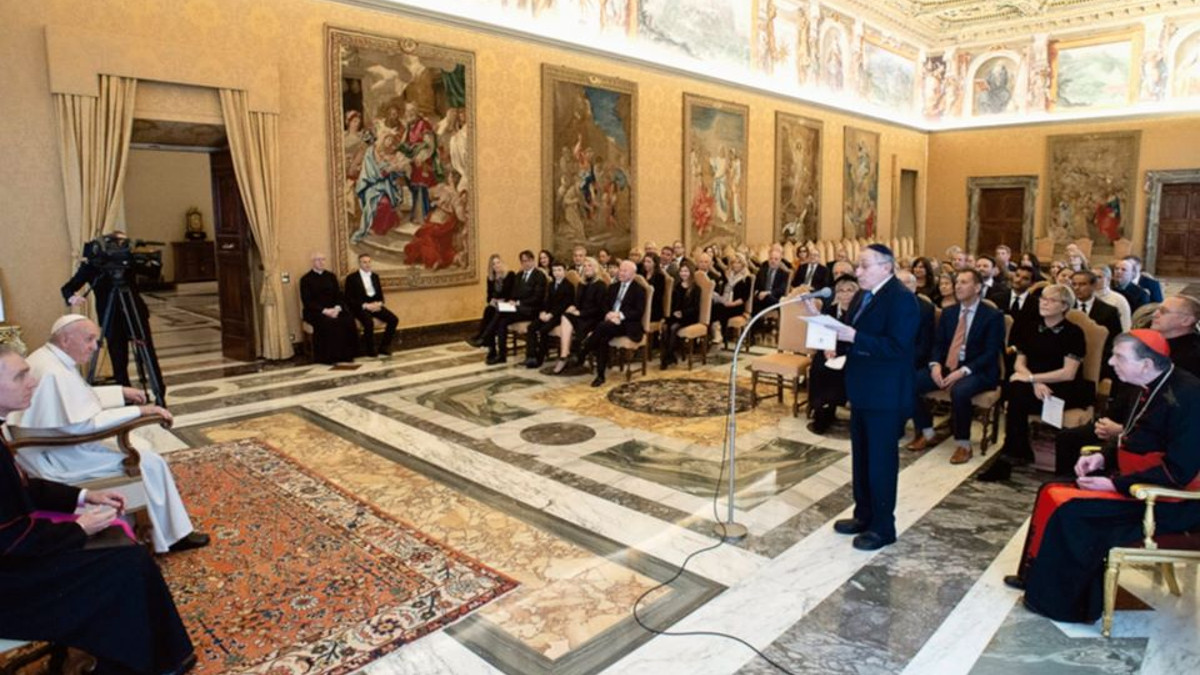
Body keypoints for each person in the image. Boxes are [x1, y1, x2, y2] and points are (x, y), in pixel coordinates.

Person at [0, 344, 196, 675]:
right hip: (10, 587)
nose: (32, 381)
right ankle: (134, 663)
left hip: (15, 561)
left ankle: (156, 657)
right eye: (20, 376)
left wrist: (84, 497)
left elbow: (23, 488)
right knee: (123, 563)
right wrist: (79, 527)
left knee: (122, 552)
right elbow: (10, 539)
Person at [1003, 331, 1200, 624]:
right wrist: (1102, 457)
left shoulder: (1189, 396)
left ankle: (1061, 603)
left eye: (1119, 357)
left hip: (1167, 500)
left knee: (1074, 511)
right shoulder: (1142, 384)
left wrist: (1114, 483)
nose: (1110, 362)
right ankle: (1035, 576)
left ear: (1146, 364)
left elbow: (1179, 469)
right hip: (1135, 482)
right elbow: (1132, 437)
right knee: (1051, 491)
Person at [9, 316, 209, 554]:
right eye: (89, 339)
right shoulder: (54, 372)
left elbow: (78, 398)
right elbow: (83, 425)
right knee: (149, 461)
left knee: (144, 449)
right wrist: (139, 411)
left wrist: (120, 393)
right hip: (61, 455)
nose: (95, 347)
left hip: (53, 445)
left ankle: (162, 528)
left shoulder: (49, 357)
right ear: (65, 339)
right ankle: (170, 535)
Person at [825, 244, 919, 550]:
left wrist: (854, 338)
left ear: (886, 267)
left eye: (864, 266)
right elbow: (852, 334)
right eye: (858, 266)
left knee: (880, 461)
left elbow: (898, 347)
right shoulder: (864, 296)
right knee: (862, 458)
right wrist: (835, 340)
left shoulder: (902, 300)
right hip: (862, 388)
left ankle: (883, 526)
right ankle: (863, 515)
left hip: (886, 393)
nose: (859, 271)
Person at [980, 283, 1094, 482]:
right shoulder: (1030, 327)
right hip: (1032, 385)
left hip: (1063, 387)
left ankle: (1012, 454)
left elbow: (1068, 373)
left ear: (1064, 306)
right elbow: (1019, 364)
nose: (1044, 303)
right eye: (1043, 298)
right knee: (1016, 390)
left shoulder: (1073, 333)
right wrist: (1033, 382)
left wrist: (1033, 379)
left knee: (1017, 393)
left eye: (1051, 300)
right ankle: (1013, 452)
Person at [908, 269, 1005, 464]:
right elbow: (938, 344)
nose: (957, 286)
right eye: (956, 282)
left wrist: (962, 371)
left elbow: (990, 353)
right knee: (908, 382)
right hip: (947, 365)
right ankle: (927, 432)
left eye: (964, 282)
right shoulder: (949, 313)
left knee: (960, 391)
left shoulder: (993, 316)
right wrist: (935, 365)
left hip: (977, 369)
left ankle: (963, 444)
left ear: (977, 287)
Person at [62, 231, 165, 397]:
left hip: (135, 312)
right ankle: (126, 395)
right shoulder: (94, 264)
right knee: (118, 358)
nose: (120, 248)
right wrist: (72, 297)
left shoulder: (127, 260)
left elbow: (153, 273)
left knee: (148, 355)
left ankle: (160, 393)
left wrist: (146, 258)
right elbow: (68, 288)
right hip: (111, 316)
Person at [581, 260, 645, 387]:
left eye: (624, 271)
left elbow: (638, 312)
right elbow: (604, 305)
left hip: (627, 325)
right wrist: (608, 314)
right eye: (620, 270)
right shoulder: (612, 287)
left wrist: (619, 316)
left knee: (602, 327)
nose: (620, 273)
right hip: (610, 323)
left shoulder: (639, 290)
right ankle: (600, 376)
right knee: (602, 338)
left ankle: (584, 349)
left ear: (633, 274)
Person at [808, 275, 859, 433]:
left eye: (849, 290)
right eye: (841, 291)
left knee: (843, 369)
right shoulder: (830, 310)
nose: (845, 295)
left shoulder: (860, 312)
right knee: (818, 366)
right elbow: (821, 332)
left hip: (851, 350)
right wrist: (826, 348)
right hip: (830, 350)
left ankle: (835, 404)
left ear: (856, 292)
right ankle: (822, 409)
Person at [479, 250, 546, 364]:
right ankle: (502, 355)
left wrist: (518, 303)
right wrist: (512, 300)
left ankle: (485, 336)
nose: (525, 263)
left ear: (533, 260)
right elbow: (514, 293)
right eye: (523, 261)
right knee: (502, 321)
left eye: (528, 261)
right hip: (518, 309)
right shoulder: (519, 275)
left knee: (499, 312)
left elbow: (537, 297)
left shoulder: (539, 276)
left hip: (531, 310)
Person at [300, 252, 358, 364]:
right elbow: (307, 301)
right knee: (328, 323)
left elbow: (338, 295)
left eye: (323, 259)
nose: (321, 262)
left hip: (334, 309)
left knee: (348, 319)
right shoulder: (306, 279)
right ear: (313, 262)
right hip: (315, 311)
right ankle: (328, 357)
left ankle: (346, 355)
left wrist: (336, 308)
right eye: (318, 260)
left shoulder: (331, 276)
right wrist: (325, 311)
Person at [554, 257, 606, 374]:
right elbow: (578, 303)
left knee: (575, 320)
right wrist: (573, 307)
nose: (587, 268)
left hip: (593, 318)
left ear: (595, 268)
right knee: (566, 315)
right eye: (585, 266)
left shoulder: (600, 285)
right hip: (581, 316)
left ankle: (577, 355)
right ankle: (564, 354)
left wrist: (581, 313)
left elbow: (600, 309)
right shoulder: (582, 284)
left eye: (590, 266)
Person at [344, 253, 399, 356]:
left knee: (393, 319)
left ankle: (384, 346)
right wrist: (365, 305)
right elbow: (349, 299)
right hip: (360, 307)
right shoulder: (351, 278)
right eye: (364, 262)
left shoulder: (375, 276)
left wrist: (379, 304)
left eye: (369, 262)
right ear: (359, 263)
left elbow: (380, 295)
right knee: (368, 322)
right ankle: (370, 349)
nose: (367, 264)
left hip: (374, 305)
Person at [1071, 269, 1122, 378]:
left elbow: (1114, 341)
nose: (1077, 288)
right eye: (1074, 284)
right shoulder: (1066, 307)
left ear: (1094, 286)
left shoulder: (1109, 311)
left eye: (1082, 284)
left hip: (1097, 363)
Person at [525, 261, 575, 369]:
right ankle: (531, 356)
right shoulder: (551, 284)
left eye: (559, 270)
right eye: (554, 270)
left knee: (544, 330)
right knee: (531, 327)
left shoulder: (568, 286)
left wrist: (551, 315)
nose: (556, 273)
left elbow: (564, 305)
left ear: (564, 271)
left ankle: (540, 357)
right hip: (547, 313)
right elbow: (546, 301)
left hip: (559, 316)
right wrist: (543, 311)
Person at [661, 261, 700, 369]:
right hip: (676, 315)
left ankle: (666, 357)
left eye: (686, 271)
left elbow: (696, 308)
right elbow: (673, 304)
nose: (683, 273)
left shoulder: (696, 289)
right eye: (682, 271)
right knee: (665, 327)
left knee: (674, 328)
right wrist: (674, 312)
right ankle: (670, 355)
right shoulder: (677, 286)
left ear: (691, 272)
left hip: (689, 316)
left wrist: (682, 313)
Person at [470, 254, 515, 347]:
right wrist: (492, 301)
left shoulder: (510, 275)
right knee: (488, 310)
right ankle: (482, 336)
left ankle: (484, 337)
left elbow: (513, 293)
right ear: (491, 267)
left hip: (508, 304)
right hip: (497, 304)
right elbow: (489, 296)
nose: (497, 265)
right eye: (494, 264)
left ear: (502, 263)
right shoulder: (490, 278)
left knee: (496, 311)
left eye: (498, 262)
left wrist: (503, 301)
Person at [713, 253, 752, 340]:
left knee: (719, 309)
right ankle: (716, 333)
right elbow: (722, 290)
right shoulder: (728, 275)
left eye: (738, 263)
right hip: (725, 301)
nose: (736, 265)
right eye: (734, 262)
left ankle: (719, 333)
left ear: (743, 264)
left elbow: (744, 298)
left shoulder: (746, 278)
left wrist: (732, 304)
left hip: (737, 305)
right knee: (714, 307)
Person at [1092, 264, 1132, 332]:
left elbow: (1126, 326)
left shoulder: (1119, 299)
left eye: (1099, 277)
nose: (1095, 280)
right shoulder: (1085, 297)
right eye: (1092, 277)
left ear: (1108, 279)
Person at [641, 252, 667, 325]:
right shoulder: (642, 274)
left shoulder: (660, 277)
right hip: (642, 304)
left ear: (655, 263)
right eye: (645, 261)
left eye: (649, 262)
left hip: (654, 308)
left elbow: (658, 296)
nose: (645, 264)